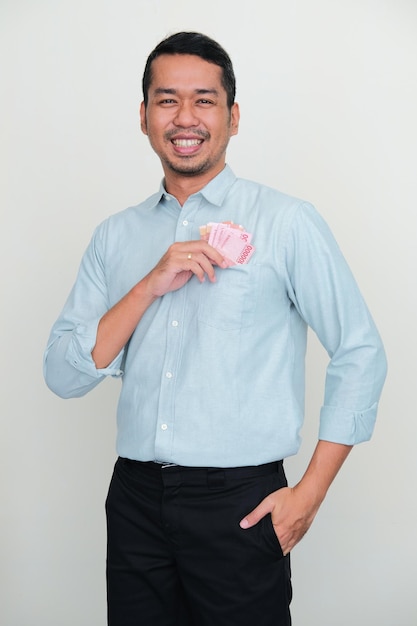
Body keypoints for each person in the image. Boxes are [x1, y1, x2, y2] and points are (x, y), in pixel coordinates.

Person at [43, 31, 387, 626]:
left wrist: (309, 493)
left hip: (241, 502)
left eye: (204, 100)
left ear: (232, 116)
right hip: (134, 500)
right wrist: (150, 283)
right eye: (166, 99)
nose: (185, 117)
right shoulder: (115, 237)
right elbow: (63, 375)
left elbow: (360, 351)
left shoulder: (286, 222)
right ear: (144, 116)